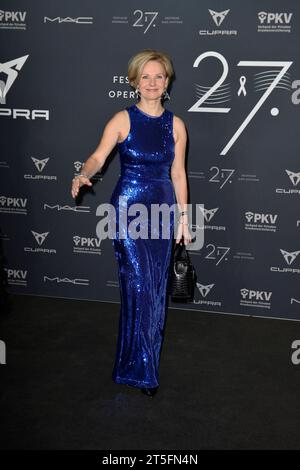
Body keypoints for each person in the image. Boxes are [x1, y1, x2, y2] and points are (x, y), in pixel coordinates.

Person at [71, 49, 192, 398]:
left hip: (163, 212)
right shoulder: (123, 120)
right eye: (146, 77)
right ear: (135, 82)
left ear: (166, 81)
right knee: (138, 286)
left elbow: (179, 174)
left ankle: (141, 363)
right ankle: (141, 371)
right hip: (129, 212)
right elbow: (98, 156)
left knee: (155, 291)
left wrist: (185, 219)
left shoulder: (177, 125)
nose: (152, 83)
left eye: (159, 77)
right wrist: (83, 173)